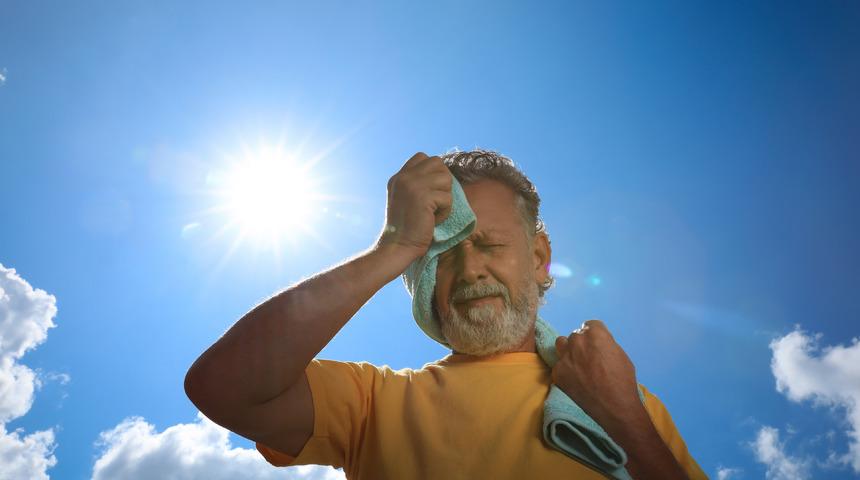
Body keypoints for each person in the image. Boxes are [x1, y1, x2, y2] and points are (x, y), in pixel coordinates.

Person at [184, 150, 707, 479]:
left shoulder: (630, 403)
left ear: (541, 257)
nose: (471, 269)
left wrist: (626, 419)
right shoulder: (373, 404)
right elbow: (222, 387)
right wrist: (393, 247)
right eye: (442, 255)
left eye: (491, 244)